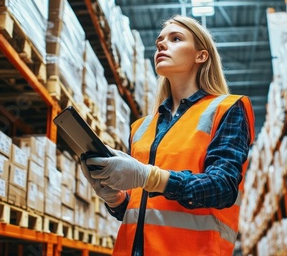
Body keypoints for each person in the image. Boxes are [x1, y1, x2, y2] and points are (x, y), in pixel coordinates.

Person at [82, 15, 255, 256]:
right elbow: (141, 210)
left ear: (201, 56)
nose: (162, 45)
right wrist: (115, 198)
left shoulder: (227, 109)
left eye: (175, 39)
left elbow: (223, 187)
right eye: (159, 41)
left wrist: (148, 176)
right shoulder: (140, 128)